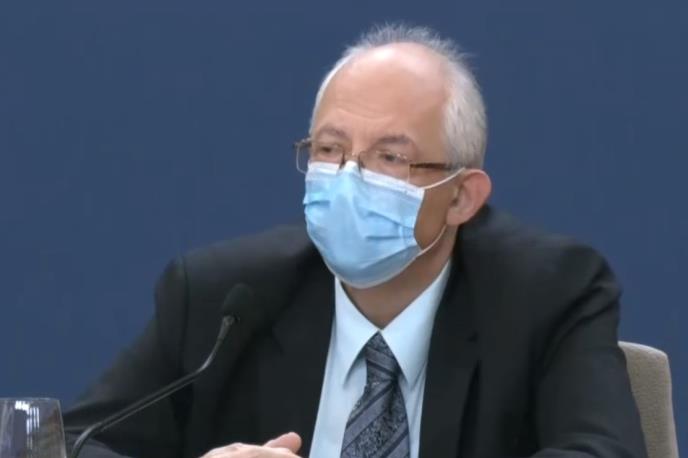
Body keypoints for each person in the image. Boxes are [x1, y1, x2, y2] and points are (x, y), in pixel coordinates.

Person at [63, 24, 647, 458]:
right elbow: (67, 444)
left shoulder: (547, 294)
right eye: (329, 150)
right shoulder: (224, 299)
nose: (347, 179)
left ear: (462, 197)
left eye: (389, 157)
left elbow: (602, 452)